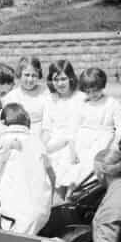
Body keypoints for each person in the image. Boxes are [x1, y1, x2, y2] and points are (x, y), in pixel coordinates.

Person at [0, 103, 53, 235]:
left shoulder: (4, 140)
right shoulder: (37, 142)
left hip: (15, 211)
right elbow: (51, 174)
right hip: (40, 210)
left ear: (2, 122)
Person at [70, 67, 121, 186]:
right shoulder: (82, 104)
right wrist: (72, 148)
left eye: (95, 90)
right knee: (75, 169)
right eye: (88, 91)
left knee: (94, 167)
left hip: (103, 140)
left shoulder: (111, 103)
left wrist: (115, 142)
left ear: (102, 86)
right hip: (83, 141)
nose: (92, 94)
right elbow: (74, 128)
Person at [42, 59, 85, 201]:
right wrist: (41, 147)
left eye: (63, 79)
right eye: (56, 79)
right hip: (55, 145)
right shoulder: (50, 100)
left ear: (71, 78)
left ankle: (69, 201)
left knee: (71, 175)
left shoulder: (81, 98)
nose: (60, 83)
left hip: (76, 144)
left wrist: (73, 147)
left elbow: (82, 128)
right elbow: (47, 128)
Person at [2, 57, 52, 138]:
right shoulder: (11, 97)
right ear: (20, 74)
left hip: (42, 136)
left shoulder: (46, 93)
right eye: (27, 75)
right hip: (18, 137)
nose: (30, 79)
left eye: (34, 75)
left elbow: (49, 122)